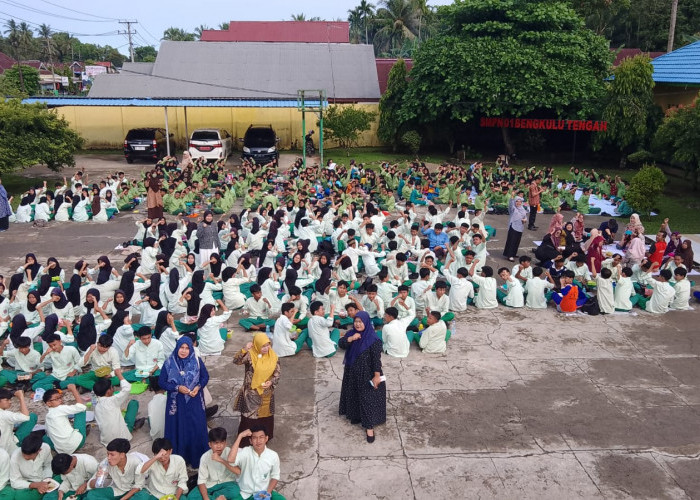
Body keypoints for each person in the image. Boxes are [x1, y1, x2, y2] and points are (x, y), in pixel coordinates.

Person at [158, 337, 209, 468]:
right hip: (177, 403)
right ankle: (179, 460)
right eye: (181, 347)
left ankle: (196, 458)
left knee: (195, 427)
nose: (184, 351)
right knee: (178, 428)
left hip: (194, 400)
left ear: (191, 349)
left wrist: (198, 387)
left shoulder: (196, 360)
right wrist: (177, 388)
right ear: (177, 347)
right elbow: (161, 382)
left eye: (187, 348)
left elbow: (205, 377)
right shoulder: (169, 362)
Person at [338, 311, 386, 443]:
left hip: (367, 374)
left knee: (367, 399)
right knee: (353, 394)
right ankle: (356, 416)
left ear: (366, 322)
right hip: (352, 372)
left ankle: (369, 427)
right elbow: (341, 344)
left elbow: (376, 360)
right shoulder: (352, 333)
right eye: (356, 321)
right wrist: (350, 339)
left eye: (360, 321)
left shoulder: (373, 340)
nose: (358, 324)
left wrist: (376, 376)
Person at [233, 333, 280, 448]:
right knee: (250, 418)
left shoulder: (273, 356)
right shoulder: (250, 355)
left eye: (268, 345)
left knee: (266, 417)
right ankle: (246, 441)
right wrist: (244, 349)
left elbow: (277, 374)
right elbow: (236, 361)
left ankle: (264, 438)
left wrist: (271, 382)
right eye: (263, 346)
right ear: (257, 345)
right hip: (251, 393)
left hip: (267, 394)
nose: (266, 348)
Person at [226, 426, 283, 500]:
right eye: (255, 438)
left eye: (261, 437)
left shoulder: (273, 455)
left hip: (264, 492)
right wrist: (240, 436)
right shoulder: (245, 452)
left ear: (266, 438)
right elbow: (230, 460)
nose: (258, 441)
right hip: (245, 493)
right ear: (251, 441)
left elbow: (275, 476)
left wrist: (268, 493)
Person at [93, 372, 145, 447]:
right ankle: (133, 426)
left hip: (106, 440)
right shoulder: (113, 400)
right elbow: (127, 388)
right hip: (121, 438)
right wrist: (119, 374)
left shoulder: (97, 405)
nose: (113, 389)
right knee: (133, 403)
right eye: (112, 388)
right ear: (108, 392)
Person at [189, 427, 241, 500]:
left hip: (227, 483)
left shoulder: (230, 452)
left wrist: (221, 460)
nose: (219, 446)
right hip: (210, 485)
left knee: (235, 491)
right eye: (216, 443)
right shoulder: (205, 457)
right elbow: (201, 481)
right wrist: (206, 498)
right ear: (210, 444)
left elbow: (238, 471)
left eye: (222, 442)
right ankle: (218, 498)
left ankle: (216, 497)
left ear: (225, 443)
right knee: (192, 496)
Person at [43, 384, 87, 454]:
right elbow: (81, 407)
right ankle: (82, 431)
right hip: (77, 443)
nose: (60, 400)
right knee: (81, 411)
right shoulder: (60, 408)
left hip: (62, 451)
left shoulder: (48, 416)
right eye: (56, 399)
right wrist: (74, 390)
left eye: (60, 397)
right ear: (49, 403)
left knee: (45, 438)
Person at [9, 433, 53, 498]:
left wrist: (46, 480)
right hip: (27, 483)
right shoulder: (15, 457)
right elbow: (14, 482)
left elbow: (48, 465)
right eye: (23, 454)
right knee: (20, 497)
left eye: (29, 455)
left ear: (39, 451)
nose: (25, 457)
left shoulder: (45, 448)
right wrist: (35, 485)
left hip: (43, 478)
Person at [0, 389, 36, 456]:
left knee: (16, 423)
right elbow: (25, 416)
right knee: (32, 417)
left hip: (2, 447)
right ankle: (21, 443)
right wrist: (21, 398)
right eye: (7, 400)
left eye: (10, 399)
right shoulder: (5, 414)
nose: (10, 402)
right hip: (9, 446)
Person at [503, 196, 527, 262]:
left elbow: (525, 217)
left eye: (520, 201)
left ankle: (514, 253)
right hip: (513, 227)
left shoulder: (522, 209)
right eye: (517, 201)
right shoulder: (513, 209)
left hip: (520, 227)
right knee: (512, 241)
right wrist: (512, 198)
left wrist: (525, 220)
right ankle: (509, 255)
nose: (518, 203)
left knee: (517, 241)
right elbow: (510, 205)